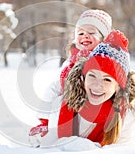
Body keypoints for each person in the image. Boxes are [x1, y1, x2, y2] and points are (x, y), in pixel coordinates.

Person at [30, 30, 135, 147]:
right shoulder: (63, 105)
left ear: (118, 86)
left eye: (107, 79)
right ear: (83, 76)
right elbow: (49, 146)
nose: (97, 85)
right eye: (92, 75)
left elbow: (121, 149)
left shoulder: (124, 115)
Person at [29, 9, 113, 137]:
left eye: (91, 32)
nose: (85, 36)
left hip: (100, 108)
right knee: (56, 94)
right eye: (80, 33)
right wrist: (45, 120)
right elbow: (57, 84)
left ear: (103, 38)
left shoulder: (109, 59)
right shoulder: (71, 60)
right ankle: (56, 133)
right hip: (73, 110)